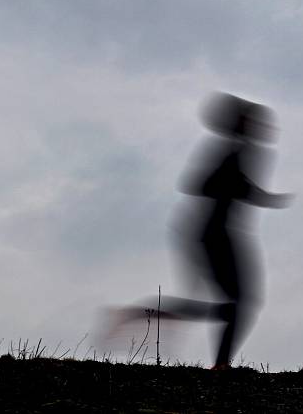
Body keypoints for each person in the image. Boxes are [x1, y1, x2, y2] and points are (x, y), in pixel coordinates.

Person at [109, 93, 292, 369]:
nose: (265, 128)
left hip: (220, 232)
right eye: (256, 121)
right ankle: (219, 364)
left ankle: (215, 361)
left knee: (236, 306)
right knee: (238, 305)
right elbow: (200, 185)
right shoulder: (234, 151)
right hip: (214, 233)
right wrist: (248, 191)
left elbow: (228, 185)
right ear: (242, 123)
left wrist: (259, 194)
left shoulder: (241, 150)